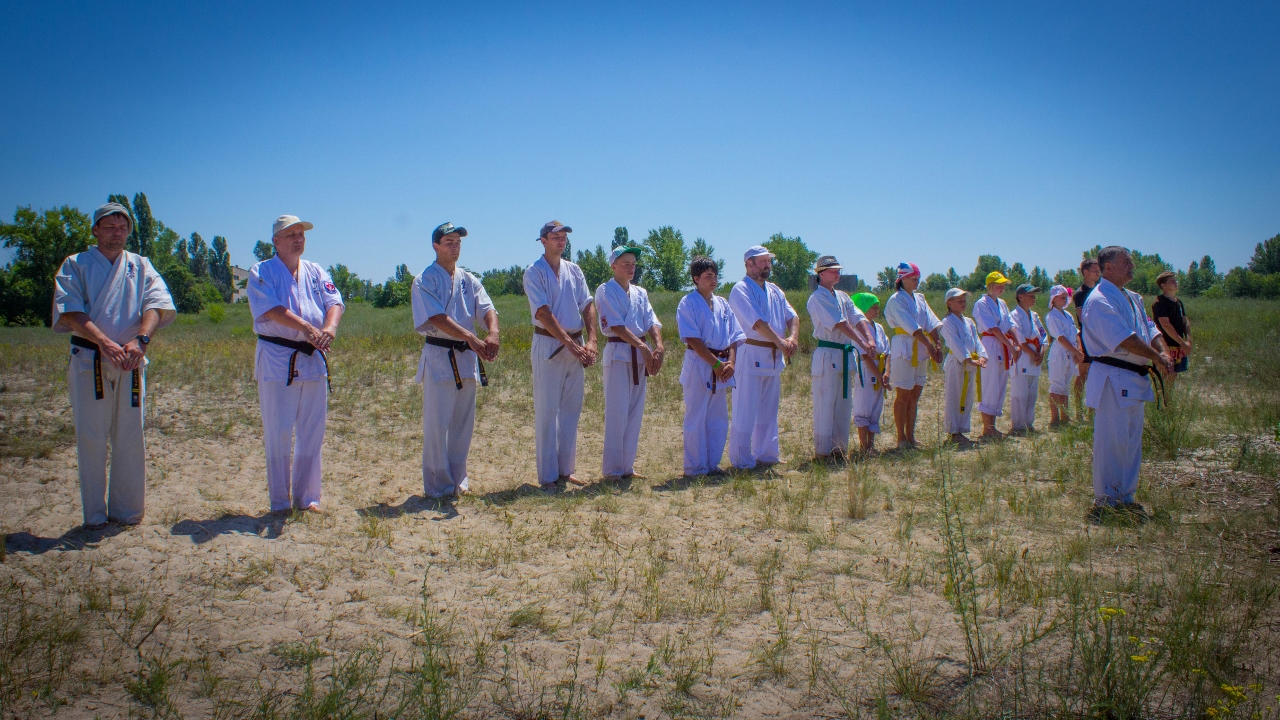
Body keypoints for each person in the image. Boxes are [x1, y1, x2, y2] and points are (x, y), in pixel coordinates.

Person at [52, 202, 176, 527]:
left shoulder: (140, 265)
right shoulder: (76, 264)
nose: (117, 233)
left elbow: (156, 305)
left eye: (122, 228)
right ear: (96, 230)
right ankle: (94, 515)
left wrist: (141, 340)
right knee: (91, 436)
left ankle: (127, 511)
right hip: (90, 360)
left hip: (130, 360)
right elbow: (69, 311)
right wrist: (103, 342)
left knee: (131, 436)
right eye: (109, 227)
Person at [247, 215, 345, 514]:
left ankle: (307, 498)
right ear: (276, 241)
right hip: (278, 358)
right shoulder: (262, 271)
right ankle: (280, 501)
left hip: (313, 357)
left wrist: (329, 328)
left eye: (301, 234)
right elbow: (271, 308)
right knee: (278, 432)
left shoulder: (315, 270)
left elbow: (334, 301)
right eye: (291, 235)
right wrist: (306, 327)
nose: (298, 239)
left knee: (312, 432)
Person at [1081, 246, 1174, 523]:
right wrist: (1156, 357)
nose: (1132, 265)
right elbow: (1124, 338)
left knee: (1131, 442)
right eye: (1126, 262)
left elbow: (1149, 328)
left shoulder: (1132, 297)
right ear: (1108, 267)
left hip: (1135, 376)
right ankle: (1107, 500)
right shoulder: (1099, 300)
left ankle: (1126, 496)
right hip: (1113, 375)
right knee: (1113, 441)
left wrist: (1163, 351)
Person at [411, 222, 500, 499]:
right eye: (449, 242)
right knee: (438, 425)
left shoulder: (468, 279)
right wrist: (471, 338)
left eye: (458, 242)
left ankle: (459, 480)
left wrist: (493, 332)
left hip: (466, 357)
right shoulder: (425, 279)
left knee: (463, 423)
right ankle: (438, 485)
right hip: (440, 354)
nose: (455, 246)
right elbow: (436, 317)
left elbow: (487, 307)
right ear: (435, 246)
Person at [522, 221, 599, 488]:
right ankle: (548, 476)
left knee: (571, 410)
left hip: (576, 344)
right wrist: (568, 342)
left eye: (564, 236)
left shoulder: (573, 270)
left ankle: (566, 469)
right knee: (547, 410)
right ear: (543, 241)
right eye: (555, 236)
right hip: (549, 345)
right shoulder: (534, 272)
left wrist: (591, 340)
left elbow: (587, 304)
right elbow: (542, 312)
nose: (561, 240)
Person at [728, 245, 799, 470]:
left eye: (769, 261)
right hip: (750, 352)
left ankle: (767, 454)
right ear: (749, 264)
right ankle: (741, 458)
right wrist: (781, 342)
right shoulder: (740, 290)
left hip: (773, 355)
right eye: (762, 261)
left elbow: (793, 316)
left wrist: (793, 338)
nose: (767, 265)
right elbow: (757, 323)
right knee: (745, 408)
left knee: (769, 409)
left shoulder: (775, 290)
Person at [596, 246, 664, 479]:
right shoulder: (605, 290)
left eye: (634, 264)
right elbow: (615, 325)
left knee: (635, 413)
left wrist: (659, 346)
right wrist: (643, 347)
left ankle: (627, 466)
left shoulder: (640, 292)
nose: (631, 267)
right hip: (618, 353)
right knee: (617, 412)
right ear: (613, 266)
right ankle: (612, 469)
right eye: (626, 263)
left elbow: (651, 321)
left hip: (639, 356)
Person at [677, 257, 744, 477]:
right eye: (708, 276)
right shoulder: (688, 303)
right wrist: (715, 363)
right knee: (696, 416)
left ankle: (712, 463)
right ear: (696, 278)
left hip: (723, 364)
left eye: (715, 275)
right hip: (699, 363)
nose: (713, 280)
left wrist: (731, 361)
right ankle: (695, 467)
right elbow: (692, 338)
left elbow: (734, 335)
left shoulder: (722, 303)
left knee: (718, 417)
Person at [806, 255, 876, 459]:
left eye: (838, 270)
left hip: (844, 354)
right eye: (833, 270)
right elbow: (840, 323)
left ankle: (839, 449)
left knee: (843, 405)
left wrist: (870, 338)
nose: (837, 273)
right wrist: (862, 343)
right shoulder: (817, 298)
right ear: (821, 274)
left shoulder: (843, 296)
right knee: (825, 404)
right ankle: (822, 452)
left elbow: (858, 318)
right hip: (827, 354)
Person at [883, 262, 943, 449]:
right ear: (902, 279)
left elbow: (931, 322)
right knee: (903, 393)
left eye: (918, 278)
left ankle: (911, 436)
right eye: (913, 279)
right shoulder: (896, 300)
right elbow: (912, 327)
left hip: (921, 348)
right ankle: (901, 438)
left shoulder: (920, 299)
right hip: (904, 346)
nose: (916, 282)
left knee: (915, 394)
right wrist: (930, 346)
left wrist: (937, 343)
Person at [972, 271, 1022, 438]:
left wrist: (1017, 343)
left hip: (1004, 345)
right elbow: (993, 328)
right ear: (990, 286)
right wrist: (1011, 346)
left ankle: (992, 427)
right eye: (999, 285)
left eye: (1003, 286)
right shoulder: (982, 304)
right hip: (991, 344)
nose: (1001, 288)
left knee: (1000, 385)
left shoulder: (1002, 304)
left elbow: (1010, 325)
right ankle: (987, 428)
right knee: (990, 385)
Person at [938, 288, 987, 448]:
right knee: (954, 396)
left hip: (971, 362)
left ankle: (962, 429)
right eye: (959, 301)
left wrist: (982, 355)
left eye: (964, 301)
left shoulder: (969, 322)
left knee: (967, 397)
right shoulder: (947, 322)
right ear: (949, 303)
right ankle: (953, 432)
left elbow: (977, 340)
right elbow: (954, 343)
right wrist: (968, 359)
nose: (963, 303)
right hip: (956, 362)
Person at [851, 293, 889, 453]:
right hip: (866, 370)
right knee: (863, 407)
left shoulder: (879, 328)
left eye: (878, 307)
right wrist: (879, 376)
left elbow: (887, 352)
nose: (877, 310)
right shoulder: (859, 328)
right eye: (873, 307)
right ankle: (863, 446)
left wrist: (886, 373)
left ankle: (871, 445)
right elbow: (865, 355)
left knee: (875, 407)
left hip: (880, 367)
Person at [1010, 284, 1047, 434]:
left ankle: (1028, 424)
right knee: (1020, 394)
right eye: (1031, 295)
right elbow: (1018, 337)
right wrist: (1032, 353)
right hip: (1022, 357)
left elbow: (1043, 335)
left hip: (1035, 356)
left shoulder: (1035, 316)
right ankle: (1018, 426)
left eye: (1034, 295)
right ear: (1021, 297)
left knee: (1032, 394)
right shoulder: (1014, 315)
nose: (1034, 298)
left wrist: (1042, 352)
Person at [1045, 284, 1084, 426]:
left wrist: (1078, 349)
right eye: (1061, 297)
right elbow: (1060, 337)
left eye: (1065, 297)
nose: (1064, 299)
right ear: (1054, 299)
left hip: (1071, 351)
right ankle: (1054, 418)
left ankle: (1065, 416)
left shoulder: (1068, 315)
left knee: (1065, 385)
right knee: (1056, 385)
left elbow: (1076, 333)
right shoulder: (1051, 316)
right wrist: (1076, 352)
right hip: (1060, 352)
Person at [1073, 257, 1101, 418]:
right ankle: (1079, 410)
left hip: (1101, 339)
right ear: (1085, 272)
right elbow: (1083, 318)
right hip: (1087, 338)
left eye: (1099, 270)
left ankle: (1093, 410)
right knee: (1082, 374)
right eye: (1094, 270)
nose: (1098, 273)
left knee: (1096, 376)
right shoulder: (1080, 293)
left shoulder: (1100, 291)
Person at [1151, 271, 1191, 378]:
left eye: (1175, 281)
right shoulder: (1159, 302)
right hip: (1165, 346)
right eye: (1171, 281)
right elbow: (1165, 324)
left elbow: (1185, 321)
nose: (1175, 283)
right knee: (1165, 375)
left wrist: (1188, 340)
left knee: (1173, 376)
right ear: (1163, 285)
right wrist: (1182, 343)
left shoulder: (1178, 302)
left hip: (1178, 346)